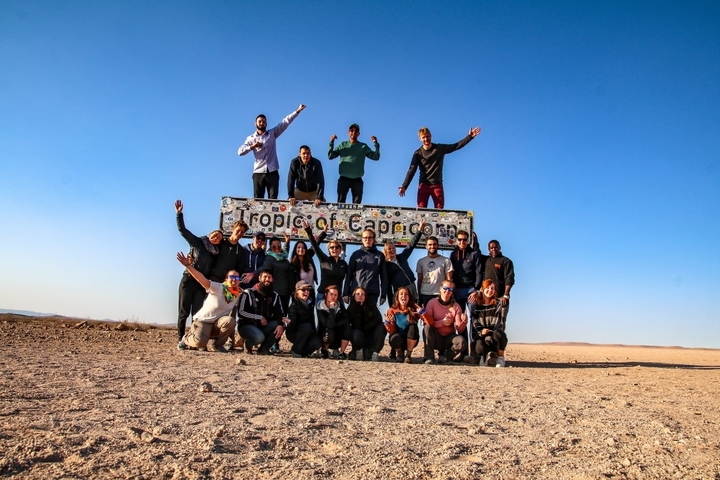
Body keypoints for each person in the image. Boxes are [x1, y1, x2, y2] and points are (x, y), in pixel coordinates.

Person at [398, 126, 481, 209]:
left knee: (439, 210)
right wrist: (405, 186)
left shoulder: (439, 149)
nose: (426, 139)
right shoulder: (418, 154)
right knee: (421, 210)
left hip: (437, 185)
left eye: (427, 136)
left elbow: (455, 146)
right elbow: (411, 170)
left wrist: (469, 137)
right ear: (420, 139)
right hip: (423, 185)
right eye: (423, 137)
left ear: (431, 136)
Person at [175, 199, 221, 341]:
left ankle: (194, 338)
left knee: (197, 312)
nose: (215, 238)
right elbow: (183, 231)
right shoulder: (198, 242)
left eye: (218, 238)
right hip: (188, 279)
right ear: (209, 234)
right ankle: (181, 338)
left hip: (201, 285)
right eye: (214, 235)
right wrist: (179, 214)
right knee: (183, 312)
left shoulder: (216, 254)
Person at [237, 104, 306, 199]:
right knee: (258, 200)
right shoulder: (250, 138)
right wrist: (253, 146)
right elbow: (240, 152)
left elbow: (285, 122)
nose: (262, 123)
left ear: (266, 123)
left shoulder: (272, 134)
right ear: (255, 123)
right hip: (258, 172)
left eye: (264, 122)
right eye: (260, 121)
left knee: (273, 200)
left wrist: (297, 111)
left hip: (272, 171)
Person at [176, 252, 240, 353]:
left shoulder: (237, 294)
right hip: (204, 321)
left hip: (217, 324)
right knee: (200, 343)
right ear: (226, 279)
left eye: (237, 278)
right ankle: (186, 339)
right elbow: (201, 279)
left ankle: (218, 345)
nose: (234, 280)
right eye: (232, 277)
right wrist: (188, 266)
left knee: (230, 321)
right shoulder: (218, 287)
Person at [236, 269, 289, 354]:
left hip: (263, 326)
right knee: (259, 337)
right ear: (259, 278)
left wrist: (281, 325)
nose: (267, 279)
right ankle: (248, 344)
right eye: (265, 277)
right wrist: (258, 317)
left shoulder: (275, 296)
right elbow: (241, 312)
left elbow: (280, 313)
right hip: (247, 325)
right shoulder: (248, 293)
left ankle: (264, 348)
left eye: (269, 277)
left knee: (279, 325)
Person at [328, 123, 380, 203]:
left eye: (356, 131)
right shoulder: (343, 145)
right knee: (340, 203)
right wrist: (331, 142)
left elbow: (375, 157)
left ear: (358, 134)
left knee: (357, 206)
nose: (353, 132)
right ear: (348, 132)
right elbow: (330, 156)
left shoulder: (363, 146)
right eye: (351, 130)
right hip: (343, 178)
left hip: (357, 180)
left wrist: (376, 144)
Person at [420, 280, 467, 364]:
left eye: (450, 290)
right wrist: (442, 323)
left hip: (449, 338)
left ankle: (447, 356)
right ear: (440, 289)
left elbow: (460, 330)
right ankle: (429, 357)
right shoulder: (432, 303)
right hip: (435, 338)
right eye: (445, 288)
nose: (447, 291)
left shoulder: (456, 306)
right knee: (427, 328)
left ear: (452, 292)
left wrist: (464, 321)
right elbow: (426, 323)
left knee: (462, 342)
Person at [303, 220, 348, 302]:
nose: (334, 249)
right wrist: (308, 230)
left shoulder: (344, 264)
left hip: (337, 297)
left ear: (340, 249)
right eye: (332, 247)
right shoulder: (324, 259)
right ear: (328, 250)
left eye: (337, 247)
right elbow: (314, 245)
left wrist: (346, 294)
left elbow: (351, 278)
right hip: (322, 296)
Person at [467, 279, 508, 367]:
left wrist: (489, 333)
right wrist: (481, 332)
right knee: (479, 346)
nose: (490, 291)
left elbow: (497, 320)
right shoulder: (476, 305)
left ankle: (500, 358)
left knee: (499, 334)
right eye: (487, 288)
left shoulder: (498, 303)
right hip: (482, 335)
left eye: (492, 288)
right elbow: (474, 320)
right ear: (482, 289)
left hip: (493, 335)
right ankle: (484, 357)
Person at [383, 220, 426, 303]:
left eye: (393, 248)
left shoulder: (402, 257)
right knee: (402, 310)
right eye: (389, 249)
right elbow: (387, 285)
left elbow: (411, 245)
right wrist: (390, 304)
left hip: (411, 286)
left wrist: (420, 230)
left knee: (413, 308)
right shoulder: (386, 266)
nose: (392, 250)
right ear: (385, 251)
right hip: (399, 290)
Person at [343, 228, 388, 306]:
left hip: (372, 293)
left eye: (370, 237)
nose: (367, 239)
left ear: (374, 239)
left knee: (370, 317)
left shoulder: (380, 256)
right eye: (365, 238)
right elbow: (349, 275)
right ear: (362, 239)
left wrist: (383, 295)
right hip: (356, 292)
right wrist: (345, 293)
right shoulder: (355, 255)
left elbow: (384, 277)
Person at [256, 235, 296, 313]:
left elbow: (284, 252)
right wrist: (253, 274)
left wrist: (287, 242)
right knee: (276, 318)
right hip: (275, 293)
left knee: (283, 316)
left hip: (286, 293)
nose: (277, 248)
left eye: (279, 246)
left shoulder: (283, 258)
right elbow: (263, 269)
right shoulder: (269, 258)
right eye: (274, 247)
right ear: (270, 248)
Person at [384, 287, 422, 363]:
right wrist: (387, 323)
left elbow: (428, 322)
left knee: (413, 326)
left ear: (409, 297)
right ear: (397, 297)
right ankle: (400, 354)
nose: (404, 296)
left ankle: (408, 355)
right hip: (398, 340)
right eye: (401, 294)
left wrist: (423, 313)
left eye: (406, 294)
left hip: (411, 340)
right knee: (393, 337)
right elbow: (391, 331)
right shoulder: (392, 310)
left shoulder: (414, 309)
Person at [346, 287, 385, 362]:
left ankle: (375, 353)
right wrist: (358, 307)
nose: (360, 296)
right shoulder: (351, 308)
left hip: (370, 334)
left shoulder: (370, 305)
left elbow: (378, 319)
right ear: (354, 296)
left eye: (362, 294)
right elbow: (354, 325)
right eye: (358, 294)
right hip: (358, 336)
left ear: (365, 296)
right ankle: (358, 350)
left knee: (381, 326)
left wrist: (366, 327)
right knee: (356, 332)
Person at [286, 281, 322, 358]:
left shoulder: (310, 304)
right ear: (297, 291)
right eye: (303, 289)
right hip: (294, 333)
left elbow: (312, 321)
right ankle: (296, 351)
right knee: (307, 326)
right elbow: (292, 326)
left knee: (317, 342)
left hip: (307, 332)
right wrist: (290, 322)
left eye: (308, 290)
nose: (306, 292)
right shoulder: (294, 306)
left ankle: (302, 352)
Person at [449, 229, 483, 311]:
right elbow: (451, 272)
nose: (462, 242)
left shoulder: (474, 254)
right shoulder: (453, 254)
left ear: (468, 240)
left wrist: (476, 289)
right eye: (460, 239)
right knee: (458, 316)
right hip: (457, 289)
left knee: (474, 314)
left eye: (464, 239)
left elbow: (479, 272)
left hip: (471, 289)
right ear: (456, 240)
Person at [416, 236, 454, 307]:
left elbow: (449, 280)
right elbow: (419, 280)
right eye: (430, 245)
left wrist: (449, 295)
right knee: (426, 317)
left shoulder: (446, 260)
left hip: (439, 294)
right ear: (426, 246)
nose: (432, 246)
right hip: (425, 294)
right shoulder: (421, 261)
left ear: (437, 245)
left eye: (434, 244)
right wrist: (419, 296)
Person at [316, 285, 352, 359]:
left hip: (337, 338)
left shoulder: (340, 306)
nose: (333, 297)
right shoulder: (320, 308)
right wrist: (332, 309)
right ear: (326, 294)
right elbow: (328, 324)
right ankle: (325, 350)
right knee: (330, 331)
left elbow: (347, 319)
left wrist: (335, 324)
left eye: (336, 295)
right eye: (331, 294)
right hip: (325, 337)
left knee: (348, 326)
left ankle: (342, 352)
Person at [483, 239, 515, 312]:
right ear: (488, 249)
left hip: (501, 297)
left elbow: (509, 278)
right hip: (487, 298)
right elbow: (476, 251)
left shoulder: (506, 261)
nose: (494, 249)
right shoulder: (485, 260)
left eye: (496, 247)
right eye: (491, 248)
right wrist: (475, 239)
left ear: (499, 247)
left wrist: (506, 295)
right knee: (487, 321)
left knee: (501, 322)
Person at [290, 239, 318, 304]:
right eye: (298, 247)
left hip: (311, 292)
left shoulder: (309, 259)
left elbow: (315, 243)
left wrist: (324, 232)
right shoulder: (292, 264)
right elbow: (291, 283)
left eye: (303, 248)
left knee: (310, 313)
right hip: (300, 293)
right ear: (295, 249)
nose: (301, 249)